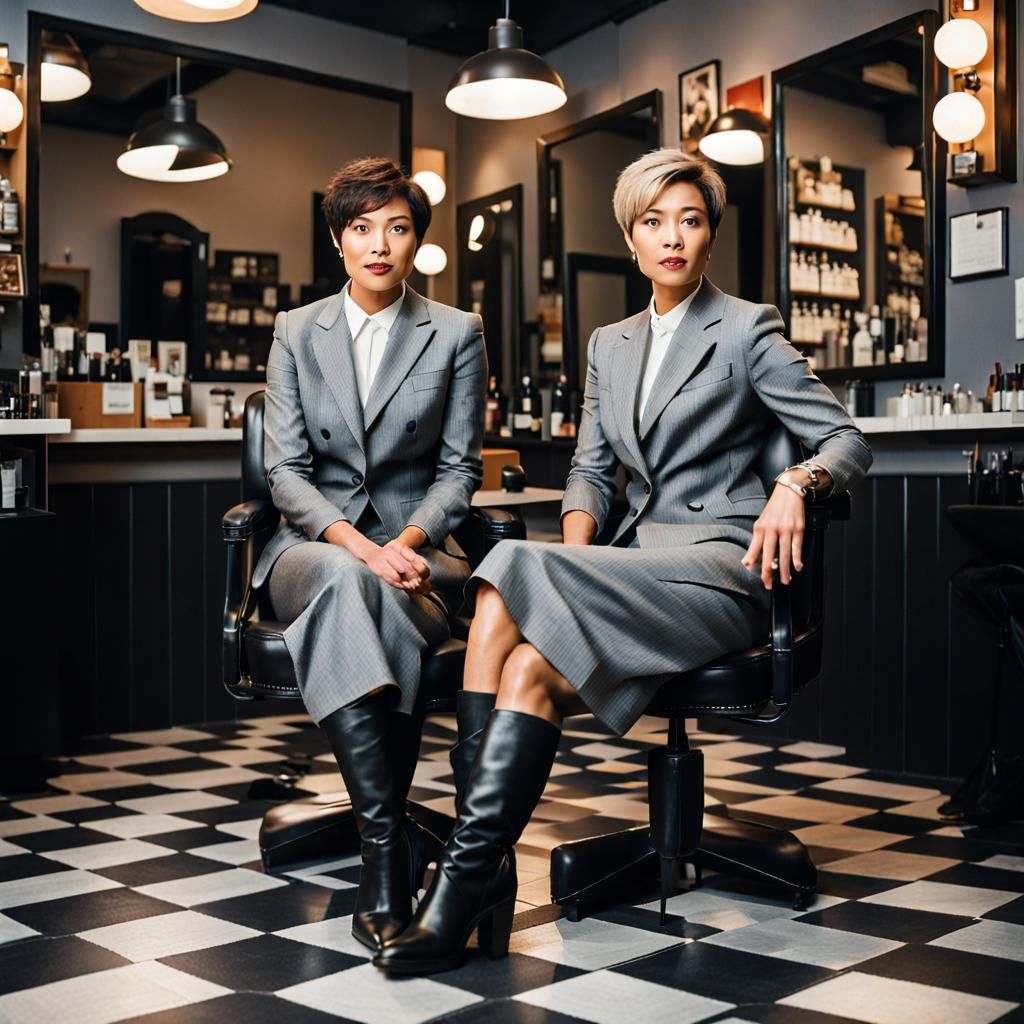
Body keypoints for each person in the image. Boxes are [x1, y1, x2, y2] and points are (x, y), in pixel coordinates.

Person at [375, 147, 872, 975]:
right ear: (631, 241)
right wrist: (578, 567)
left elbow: (847, 440)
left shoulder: (748, 329)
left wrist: (796, 481)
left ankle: (459, 889)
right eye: (653, 222)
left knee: (508, 576)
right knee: (528, 663)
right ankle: (477, 877)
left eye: (690, 219)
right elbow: (592, 471)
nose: (672, 236)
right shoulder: (610, 343)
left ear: (710, 236)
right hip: (632, 573)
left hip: (723, 572)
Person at [254, 157, 486, 952]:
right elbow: (284, 472)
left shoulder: (456, 332)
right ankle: (388, 845)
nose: (380, 243)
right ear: (338, 240)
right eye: (362, 228)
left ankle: (381, 855)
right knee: (354, 583)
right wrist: (361, 546)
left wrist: (407, 542)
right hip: (312, 548)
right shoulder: (296, 330)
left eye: (398, 227)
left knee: (373, 595)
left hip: (418, 551)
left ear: (417, 240)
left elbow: (459, 473)